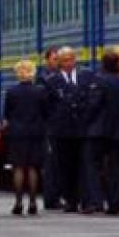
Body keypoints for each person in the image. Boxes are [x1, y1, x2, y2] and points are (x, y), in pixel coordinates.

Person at [83, 51, 119, 215]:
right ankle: (115, 203)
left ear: (103, 64)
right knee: (116, 167)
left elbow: (93, 105)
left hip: (98, 131)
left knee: (92, 164)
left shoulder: (98, 81)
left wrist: (86, 122)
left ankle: (96, 201)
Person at [45, 46, 92, 212]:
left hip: (82, 128)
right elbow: (47, 106)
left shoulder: (86, 76)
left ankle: (86, 201)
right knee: (65, 166)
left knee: (84, 165)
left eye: (70, 59)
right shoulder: (51, 81)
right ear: (59, 62)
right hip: (62, 130)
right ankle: (71, 200)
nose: (68, 63)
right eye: (64, 60)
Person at [3, 60, 47, 216]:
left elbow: (7, 114)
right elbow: (46, 112)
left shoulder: (11, 92)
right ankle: (33, 202)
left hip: (17, 132)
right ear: (33, 72)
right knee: (33, 167)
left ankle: (18, 202)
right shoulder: (40, 91)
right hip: (36, 132)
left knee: (19, 167)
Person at [36, 46, 61, 209]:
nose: (57, 62)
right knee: (50, 163)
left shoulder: (60, 77)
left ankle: (58, 195)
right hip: (49, 126)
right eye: (55, 59)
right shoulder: (43, 79)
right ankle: (51, 198)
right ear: (47, 60)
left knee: (59, 163)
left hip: (60, 126)